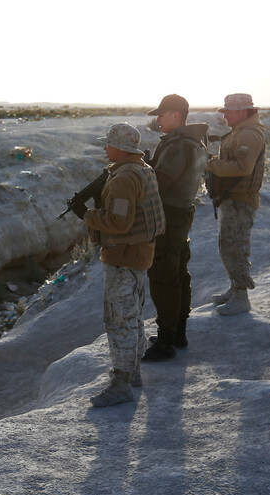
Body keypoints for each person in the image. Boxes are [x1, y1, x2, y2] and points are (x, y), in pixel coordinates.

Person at [71, 123, 164, 406]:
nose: (105, 148)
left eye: (109, 144)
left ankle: (121, 384)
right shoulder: (142, 169)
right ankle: (132, 372)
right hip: (137, 255)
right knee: (133, 316)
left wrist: (87, 215)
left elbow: (119, 223)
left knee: (119, 319)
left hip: (124, 257)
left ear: (121, 148)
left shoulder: (124, 178)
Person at [141, 94, 209, 361]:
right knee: (178, 274)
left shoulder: (178, 146)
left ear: (176, 115)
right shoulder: (192, 141)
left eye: (162, 114)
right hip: (181, 214)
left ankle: (167, 340)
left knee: (164, 277)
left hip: (168, 217)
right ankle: (177, 332)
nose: (158, 119)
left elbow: (160, 184)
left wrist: (143, 172)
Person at [206, 93, 267, 315]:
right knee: (227, 247)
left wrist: (212, 165)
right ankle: (235, 288)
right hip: (231, 199)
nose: (225, 117)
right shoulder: (240, 132)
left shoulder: (249, 135)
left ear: (242, 112)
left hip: (240, 201)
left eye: (229, 112)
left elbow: (242, 168)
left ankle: (242, 297)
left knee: (236, 248)